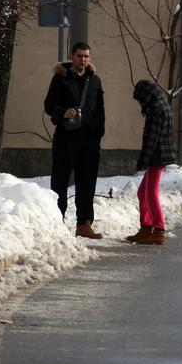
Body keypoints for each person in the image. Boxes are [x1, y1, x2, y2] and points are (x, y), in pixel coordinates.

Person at [43, 41, 106, 239]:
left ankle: (84, 224)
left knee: (87, 182)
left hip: (89, 140)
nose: (83, 60)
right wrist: (63, 112)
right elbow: (49, 105)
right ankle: (57, 220)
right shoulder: (61, 78)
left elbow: (100, 109)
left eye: (86, 56)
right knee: (60, 181)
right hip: (66, 137)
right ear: (72, 56)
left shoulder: (94, 80)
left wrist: (98, 133)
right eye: (80, 56)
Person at [127, 79, 177, 246]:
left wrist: (144, 160)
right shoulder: (162, 104)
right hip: (159, 155)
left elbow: (152, 138)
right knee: (143, 193)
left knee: (150, 193)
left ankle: (159, 229)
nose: (141, 103)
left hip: (157, 156)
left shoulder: (156, 109)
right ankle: (146, 227)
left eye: (140, 99)